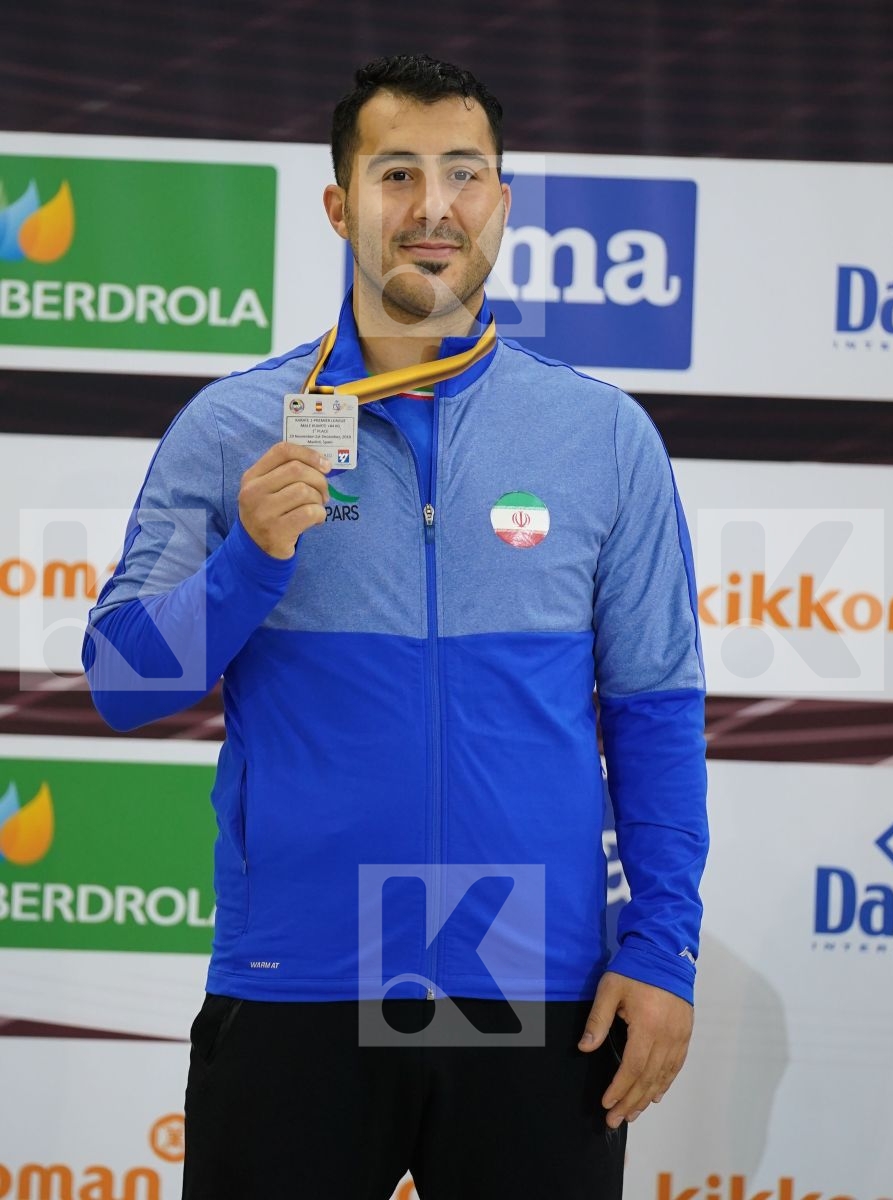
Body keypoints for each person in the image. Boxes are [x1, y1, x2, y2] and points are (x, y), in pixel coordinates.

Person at [83, 53, 708, 1200]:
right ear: (339, 203)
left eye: (465, 174)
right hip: (297, 985)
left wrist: (662, 949)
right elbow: (124, 683)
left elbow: (657, 713)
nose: (433, 207)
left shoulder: (602, 436)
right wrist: (247, 567)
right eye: (397, 173)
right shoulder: (235, 428)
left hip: (530, 988)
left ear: (503, 205)